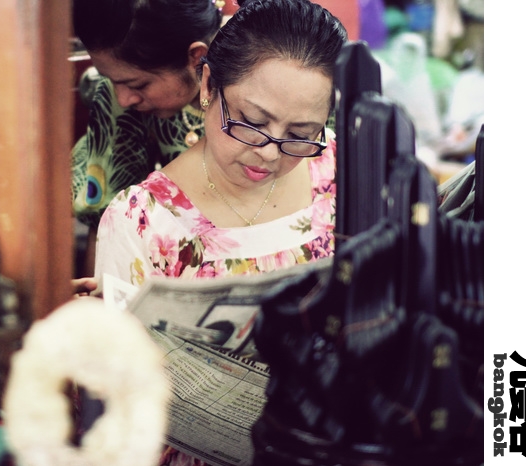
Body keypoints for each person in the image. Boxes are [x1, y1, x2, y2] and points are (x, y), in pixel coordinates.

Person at [93, 0, 347, 463]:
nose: (270, 153)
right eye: (251, 122)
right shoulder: (141, 221)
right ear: (209, 84)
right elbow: (120, 413)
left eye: (299, 133)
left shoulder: (343, 165)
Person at [71, 0, 224, 274]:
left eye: (138, 84)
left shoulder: (252, 83)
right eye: (111, 80)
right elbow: (105, 221)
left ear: (196, 57)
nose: (124, 98)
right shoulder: (119, 98)